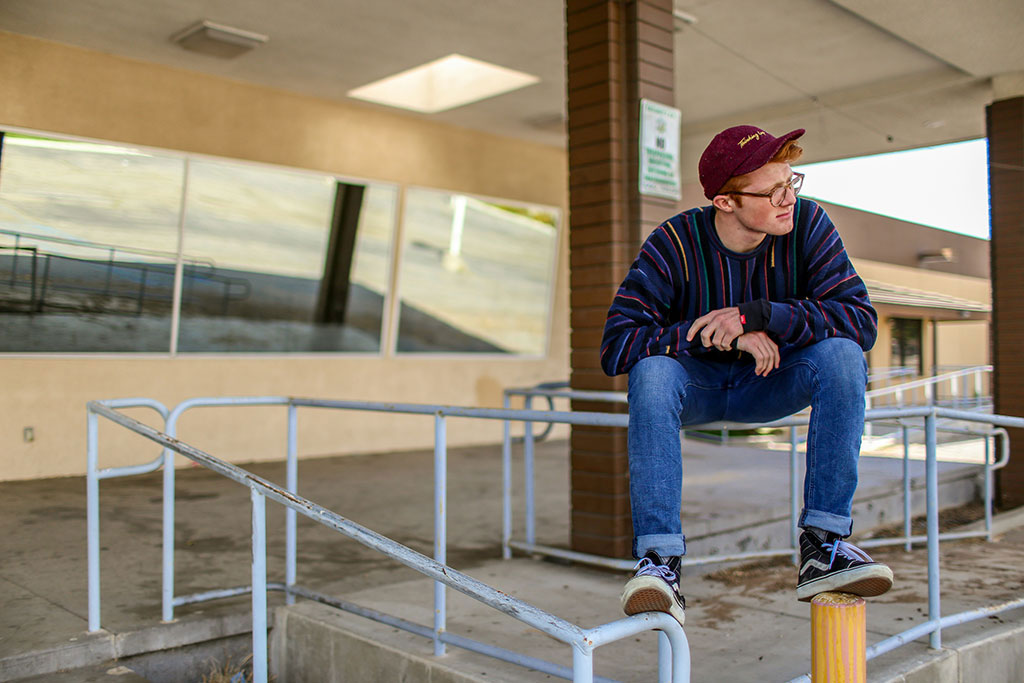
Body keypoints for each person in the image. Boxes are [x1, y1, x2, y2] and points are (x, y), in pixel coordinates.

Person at [600, 125, 893, 626]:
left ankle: (823, 546)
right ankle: (660, 561)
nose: (788, 199)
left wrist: (758, 315)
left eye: (791, 182)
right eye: (773, 191)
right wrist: (712, 333)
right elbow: (616, 345)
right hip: (697, 389)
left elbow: (860, 320)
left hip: (773, 381)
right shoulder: (674, 241)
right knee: (650, 372)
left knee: (844, 356)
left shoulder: (808, 224)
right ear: (725, 201)